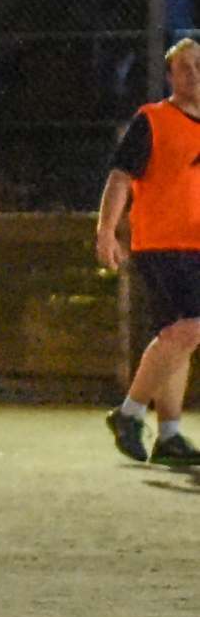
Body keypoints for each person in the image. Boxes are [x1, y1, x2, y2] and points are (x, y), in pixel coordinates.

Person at [94, 35, 200, 469]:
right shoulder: (152, 120)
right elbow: (120, 177)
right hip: (161, 244)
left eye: (198, 65)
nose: (193, 73)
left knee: (180, 341)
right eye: (185, 67)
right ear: (170, 75)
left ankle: (169, 435)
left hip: (194, 244)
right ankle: (129, 413)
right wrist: (106, 229)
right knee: (185, 331)